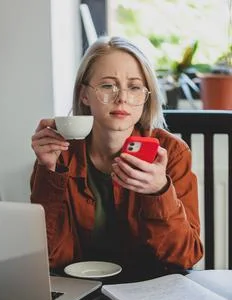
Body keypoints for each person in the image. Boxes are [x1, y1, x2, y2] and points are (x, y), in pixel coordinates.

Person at [31, 36, 203, 280]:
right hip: (82, 291)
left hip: (151, 291)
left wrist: (159, 192)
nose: (122, 98)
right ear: (84, 95)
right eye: (107, 85)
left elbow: (185, 256)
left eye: (134, 87)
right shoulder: (60, 154)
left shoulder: (171, 153)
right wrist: (48, 171)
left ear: (145, 98)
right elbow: (51, 258)